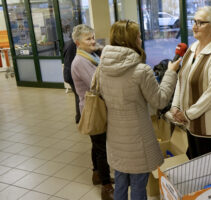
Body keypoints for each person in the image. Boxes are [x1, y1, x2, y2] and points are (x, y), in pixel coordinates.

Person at [98, 20, 181, 200]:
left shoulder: (102, 68)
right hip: (138, 141)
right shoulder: (141, 70)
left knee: (120, 183)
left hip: (115, 136)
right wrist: (171, 72)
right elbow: (160, 100)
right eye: (138, 36)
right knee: (137, 184)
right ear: (130, 41)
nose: (141, 40)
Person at [170, 6, 211, 159]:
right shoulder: (192, 48)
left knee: (206, 173)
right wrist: (175, 107)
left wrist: (187, 114)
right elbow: (181, 79)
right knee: (193, 163)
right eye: (194, 21)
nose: (195, 26)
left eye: (201, 23)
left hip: (210, 127)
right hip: (191, 123)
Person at [70, 24, 114, 200]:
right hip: (92, 110)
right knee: (102, 147)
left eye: (93, 37)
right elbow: (97, 84)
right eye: (88, 39)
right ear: (77, 43)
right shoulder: (80, 61)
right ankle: (106, 186)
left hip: (94, 108)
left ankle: (96, 174)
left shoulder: (90, 56)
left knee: (96, 145)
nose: (93, 41)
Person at [63, 39, 81, 124]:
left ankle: (79, 117)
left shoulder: (69, 43)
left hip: (68, 74)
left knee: (78, 96)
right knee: (79, 97)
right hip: (71, 75)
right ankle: (80, 118)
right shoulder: (73, 45)